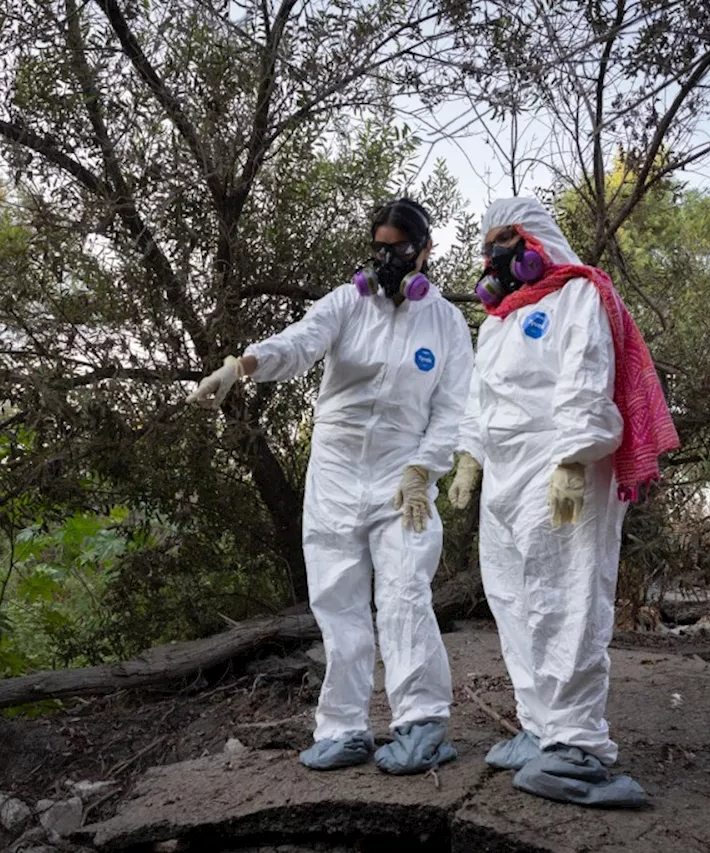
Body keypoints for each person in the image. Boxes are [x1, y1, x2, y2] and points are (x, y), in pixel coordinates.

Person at [187, 198, 473, 775]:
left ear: (425, 250)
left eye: (399, 247)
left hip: (402, 480)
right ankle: (344, 728)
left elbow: (454, 408)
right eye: (380, 247)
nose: (388, 258)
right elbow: (298, 343)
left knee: (405, 594)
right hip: (336, 476)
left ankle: (421, 724)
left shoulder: (445, 322)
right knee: (338, 604)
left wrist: (425, 469)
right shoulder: (349, 302)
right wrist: (242, 366)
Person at [447, 197, 679, 808]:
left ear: (537, 239)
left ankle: (578, 744)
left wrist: (575, 458)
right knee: (512, 596)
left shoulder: (580, 294)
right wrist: (470, 457)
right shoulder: (497, 320)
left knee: (566, 594)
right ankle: (539, 726)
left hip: (561, 464)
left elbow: (587, 375)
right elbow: (480, 396)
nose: (494, 252)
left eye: (506, 238)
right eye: (488, 242)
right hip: (504, 473)